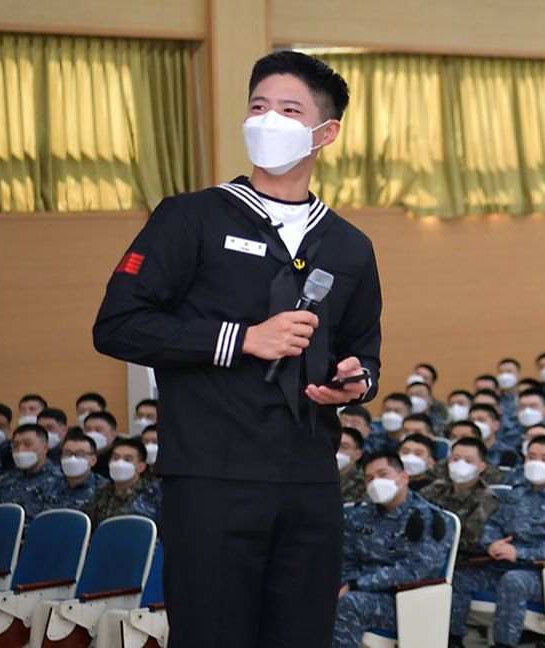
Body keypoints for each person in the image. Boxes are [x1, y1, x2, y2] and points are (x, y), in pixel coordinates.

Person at [92, 51, 381, 647]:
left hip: (309, 479)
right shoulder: (189, 218)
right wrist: (241, 339)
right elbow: (117, 324)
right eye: (258, 106)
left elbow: (364, 350)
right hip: (213, 477)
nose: (267, 119)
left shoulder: (349, 246)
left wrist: (356, 381)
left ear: (324, 133)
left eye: (287, 108)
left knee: (302, 633)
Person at [449, 436, 545, 648]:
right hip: (502, 565)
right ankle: (453, 640)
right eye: (532, 457)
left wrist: (520, 553)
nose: (537, 463)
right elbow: (492, 524)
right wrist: (492, 543)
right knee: (459, 577)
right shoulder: (516, 493)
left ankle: (504, 644)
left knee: (514, 580)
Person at [334, 451, 453, 648]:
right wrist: (344, 584)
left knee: (349, 604)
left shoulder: (428, 518)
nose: (375, 482)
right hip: (359, 591)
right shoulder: (361, 514)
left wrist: (355, 585)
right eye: (369, 478)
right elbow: (346, 558)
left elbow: (413, 571)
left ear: (404, 477)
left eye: (383, 475)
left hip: (405, 602)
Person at [419, 437, 501, 561]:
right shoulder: (436, 488)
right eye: (455, 459)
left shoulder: (486, 499)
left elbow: (470, 541)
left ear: (482, 466)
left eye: (468, 461)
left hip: (458, 561)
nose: (460, 464)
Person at [0, 424, 62, 518]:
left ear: (45, 448)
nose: (20, 449)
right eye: (16, 445)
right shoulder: (8, 478)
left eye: (27, 444)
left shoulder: (58, 482)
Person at [81, 438, 161, 524]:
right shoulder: (101, 490)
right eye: (115, 458)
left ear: (141, 467)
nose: (119, 463)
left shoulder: (153, 495)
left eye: (127, 459)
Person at [54, 431, 106, 510]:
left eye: (80, 454)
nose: (72, 459)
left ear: (93, 460)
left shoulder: (103, 490)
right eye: (67, 453)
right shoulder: (49, 484)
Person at [336, 427, 366, 504]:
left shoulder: (363, 482)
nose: (336, 450)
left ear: (357, 454)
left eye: (344, 447)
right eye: (333, 445)